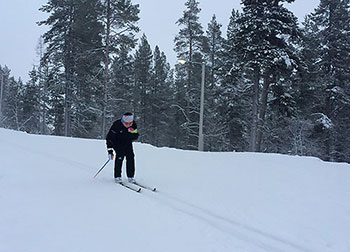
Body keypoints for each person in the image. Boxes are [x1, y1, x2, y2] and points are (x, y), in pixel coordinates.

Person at [106, 112, 139, 183]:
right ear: (123, 121)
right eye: (126, 123)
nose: (128, 125)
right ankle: (117, 176)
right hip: (117, 143)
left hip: (127, 143)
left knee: (130, 157)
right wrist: (110, 151)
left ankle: (130, 176)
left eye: (130, 123)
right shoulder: (116, 125)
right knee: (120, 156)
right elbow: (109, 138)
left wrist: (131, 134)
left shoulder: (133, 125)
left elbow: (136, 135)